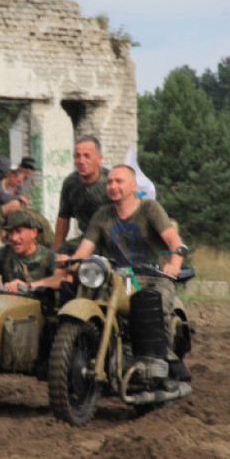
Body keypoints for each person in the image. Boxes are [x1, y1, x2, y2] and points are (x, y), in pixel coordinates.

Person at [59, 164, 193, 383]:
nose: (113, 186)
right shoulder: (102, 215)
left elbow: (174, 241)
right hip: (119, 279)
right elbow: (84, 249)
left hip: (153, 277)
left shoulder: (149, 208)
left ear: (133, 186)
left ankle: (165, 360)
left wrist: (174, 264)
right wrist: (71, 261)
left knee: (153, 303)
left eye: (119, 181)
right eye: (110, 182)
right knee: (80, 293)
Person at [0, 210, 64, 293]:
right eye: (10, 232)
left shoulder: (48, 256)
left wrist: (29, 286)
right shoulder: (4, 253)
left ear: (34, 233)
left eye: (19, 231)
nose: (14, 238)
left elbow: (64, 278)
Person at [53, 135, 112, 254]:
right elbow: (63, 218)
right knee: (60, 255)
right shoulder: (70, 183)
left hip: (112, 239)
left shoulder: (112, 182)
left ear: (99, 158)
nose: (81, 161)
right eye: (77, 156)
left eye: (87, 156)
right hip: (87, 239)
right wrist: (57, 253)